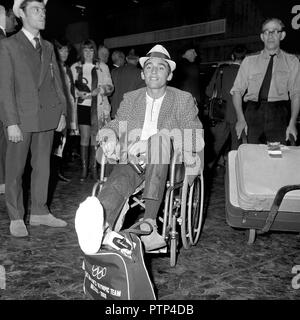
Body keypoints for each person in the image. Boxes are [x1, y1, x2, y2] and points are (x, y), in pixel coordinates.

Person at [75, 44, 204, 254]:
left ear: (170, 75)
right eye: (149, 67)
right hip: (134, 160)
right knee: (119, 179)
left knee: (159, 141)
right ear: (143, 74)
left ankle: (149, 224)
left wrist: (153, 142)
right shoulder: (131, 98)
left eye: (161, 67)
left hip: (168, 162)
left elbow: (194, 136)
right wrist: (107, 137)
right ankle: (101, 228)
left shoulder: (183, 100)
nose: (154, 71)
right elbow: (116, 124)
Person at [0, 0, 67, 237]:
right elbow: (4, 87)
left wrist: (61, 112)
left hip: (47, 114)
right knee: (15, 170)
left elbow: (55, 81)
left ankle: (39, 211)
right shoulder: (8, 45)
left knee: (43, 166)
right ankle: (16, 216)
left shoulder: (48, 46)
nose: (42, 13)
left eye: (44, 9)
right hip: (21, 117)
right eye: (36, 10)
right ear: (22, 15)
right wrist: (10, 122)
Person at [231, 18, 300, 144]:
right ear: (262, 36)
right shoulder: (249, 61)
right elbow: (236, 91)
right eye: (267, 32)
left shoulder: (292, 62)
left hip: (278, 115)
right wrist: (240, 119)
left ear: (282, 35)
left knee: (275, 156)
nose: (271, 35)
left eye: (275, 31)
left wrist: (292, 123)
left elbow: (296, 94)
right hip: (252, 114)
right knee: (251, 156)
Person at [71, 40, 113, 181]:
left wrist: (100, 90)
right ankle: (84, 170)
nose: (88, 53)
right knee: (84, 137)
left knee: (95, 138)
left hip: (97, 106)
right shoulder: (75, 67)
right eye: (85, 50)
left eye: (91, 50)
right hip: (82, 106)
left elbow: (110, 87)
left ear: (94, 51)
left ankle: (94, 169)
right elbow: (68, 87)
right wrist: (76, 92)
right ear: (81, 51)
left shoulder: (102, 67)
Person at [205, 45, 247, 168]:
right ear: (244, 59)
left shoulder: (221, 71)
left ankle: (203, 174)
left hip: (220, 114)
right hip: (239, 117)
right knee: (236, 150)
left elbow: (208, 91)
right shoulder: (246, 74)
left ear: (232, 57)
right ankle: (233, 177)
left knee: (213, 150)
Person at [52, 39, 77, 183]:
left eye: (67, 50)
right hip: (55, 111)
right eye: (62, 50)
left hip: (67, 110)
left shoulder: (67, 69)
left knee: (62, 142)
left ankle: (57, 171)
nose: (65, 53)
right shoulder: (52, 67)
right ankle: (52, 173)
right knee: (54, 142)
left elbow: (70, 91)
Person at [0, 5, 18, 195]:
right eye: (12, 18)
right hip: (4, 103)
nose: (15, 22)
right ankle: (6, 182)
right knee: (9, 145)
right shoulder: (4, 41)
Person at [110, 48, 145, 119]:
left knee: (118, 130)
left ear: (126, 58)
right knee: (124, 130)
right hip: (130, 115)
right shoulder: (141, 74)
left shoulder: (114, 72)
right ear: (138, 59)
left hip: (115, 113)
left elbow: (110, 93)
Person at [173, 44, 202, 113]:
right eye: (193, 52)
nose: (195, 54)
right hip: (188, 104)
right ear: (186, 52)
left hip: (187, 104)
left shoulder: (176, 67)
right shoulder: (189, 68)